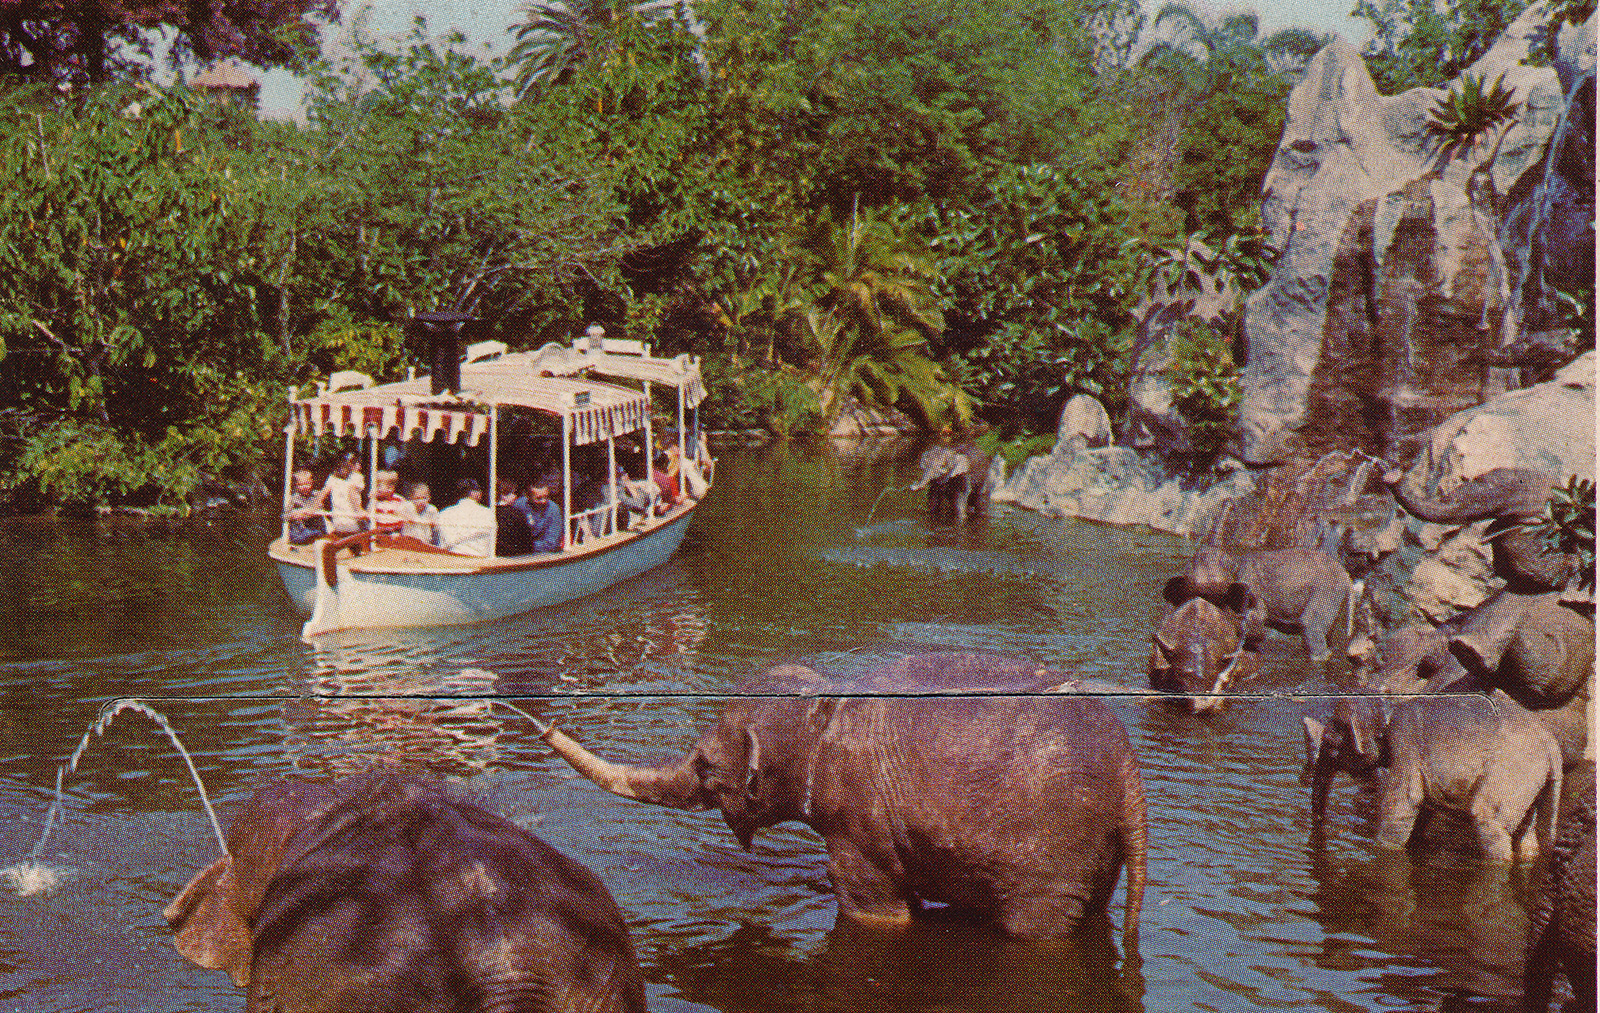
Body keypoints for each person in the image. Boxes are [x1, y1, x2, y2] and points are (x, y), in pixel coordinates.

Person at [436, 478, 493, 556]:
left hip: (452, 560)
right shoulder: (487, 513)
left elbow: (441, 544)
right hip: (480, 561)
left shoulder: (444, 513)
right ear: (475, 493)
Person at [318, 452, 365, 536]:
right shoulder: (356, 476)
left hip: (337, 521)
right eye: (356, 463)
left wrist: (310, 507)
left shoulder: (332, 478)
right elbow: (352, 492)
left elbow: (323, 493)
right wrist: (359, 511)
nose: (359, 466)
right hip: (352, 521)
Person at [285, 470, 326, 545]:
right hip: (302, 530)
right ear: (296, 486)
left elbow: (320, 509)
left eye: (307, 484)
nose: (304, 487)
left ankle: (317, 535)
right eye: (301, 485)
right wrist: (292, 515)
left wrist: (306, 513)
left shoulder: (317, 495)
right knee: (294, 530)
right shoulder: (293, 498)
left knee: (320, 525)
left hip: (315, 526)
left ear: (312, 483)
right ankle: (301, 538)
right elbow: (284, 515)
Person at [494, 479, 533, 557]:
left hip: (497, 553)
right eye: (513, 493)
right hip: (515, 555)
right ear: (503, 495)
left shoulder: (491, 512)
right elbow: (526, 538)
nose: (515, 496)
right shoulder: (517, 514)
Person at [521, 482, 564, 553]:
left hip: (546, 555)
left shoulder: (553, 509)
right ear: (528, 497)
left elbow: (551, 543)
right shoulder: (520, 505)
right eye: (539, 498)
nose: (543, 501)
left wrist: (526, 546)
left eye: (546, 497)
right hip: (523, 553)